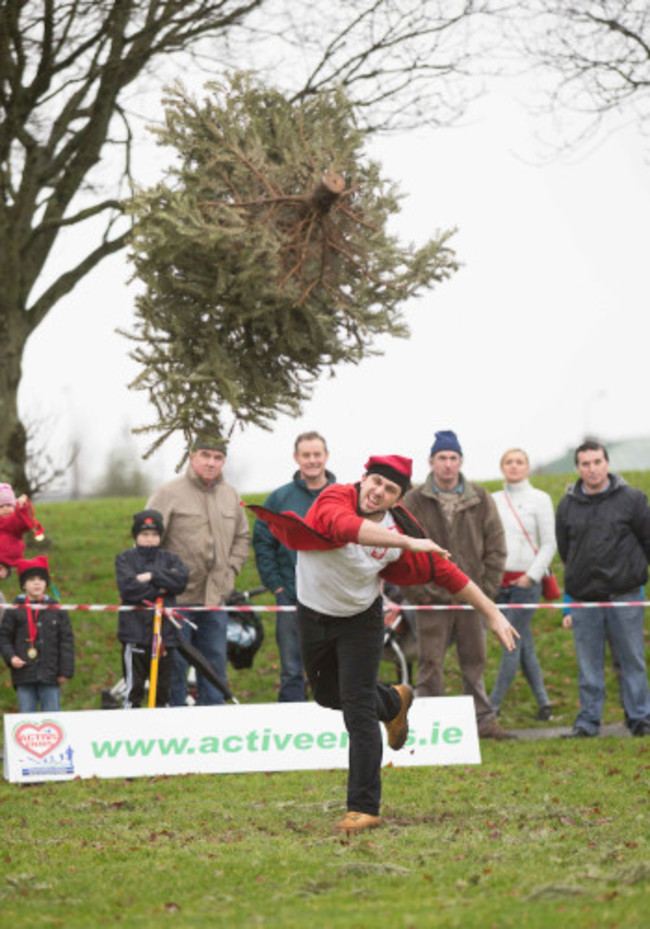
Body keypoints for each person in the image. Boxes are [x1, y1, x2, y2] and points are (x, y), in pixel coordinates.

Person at [249, 455, 518, 834]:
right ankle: (393, 701)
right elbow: (346, 528)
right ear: (363, 479)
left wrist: (492, 613)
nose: (378, 492)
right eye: (375, 482)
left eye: (390, 489)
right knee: (327, 694)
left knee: (357, 709)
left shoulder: (397, 529)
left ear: (397, 500)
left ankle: (363, 807)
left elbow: (447, 571)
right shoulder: (334, 498)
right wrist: (407, 541)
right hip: (312, 615)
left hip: (361, 621)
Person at [402, 430, 512, 740]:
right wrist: (419, 593)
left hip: (472, 597)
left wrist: (486, 592)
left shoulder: (479, 497)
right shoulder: (414, 500)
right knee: (429, 662)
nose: (448, 465)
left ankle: (483, 720)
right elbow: (403, 550)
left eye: (453, 458)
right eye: (442, 458)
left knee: (474, 660)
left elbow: (496, 546)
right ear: (431, 462)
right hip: (431, 598)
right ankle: (427, 723)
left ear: (460, 461)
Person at [556, 440, 650, 738]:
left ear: (607, 463)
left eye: (597, 462)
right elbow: (565, 550)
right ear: (577, 468)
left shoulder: (633, 499)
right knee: (588, 665)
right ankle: (588, 722)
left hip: (625, 595)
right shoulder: (567, 504)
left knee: (632, 660)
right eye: (585, 464)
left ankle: (640, 718)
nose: (592, 469)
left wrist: (634, 577)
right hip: (585, 598)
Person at [147, 434, 250, 706]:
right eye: (205, 455)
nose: (211, 463)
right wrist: (162, 580)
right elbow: (147, 540)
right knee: (176, 666)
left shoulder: (231, 495)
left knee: (214, 664)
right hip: (177, 601)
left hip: (215, 599)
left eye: (218, 458)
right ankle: (176, 724)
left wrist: (230, 573)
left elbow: (242, 537)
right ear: (192, 457)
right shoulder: (168, 493)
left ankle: (213, 727)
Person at [253, 431, 335, 701]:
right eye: (306, 455)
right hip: (291, 595)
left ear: (326, 456)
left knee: (334, 668)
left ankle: (336, 729)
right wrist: (275, 586)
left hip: (334, 597)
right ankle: (292, 731)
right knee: (291, 668)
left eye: (317, 454)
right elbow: (263, 543)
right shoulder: (279, 499)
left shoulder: (342, 497)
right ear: (296, 458)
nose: (312, 460)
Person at [489, 448, 555, 720]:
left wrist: (531, 575)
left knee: (511, 642)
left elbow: (550, 543)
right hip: (499, 583)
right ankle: (544, 704)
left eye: (519, 462)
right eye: (509, 462)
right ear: (502, 467)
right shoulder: (492, 500)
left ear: (527, 466)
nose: (514, 466)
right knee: (523, 640)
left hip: (526, 582)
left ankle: (490, 707)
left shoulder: (540, 499)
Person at [115, 509, 190, 708]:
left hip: (165, 635)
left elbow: (181, 581)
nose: (150, 539)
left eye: (154, 535)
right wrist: (163, 586)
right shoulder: (124, 559)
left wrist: (150, 577)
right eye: (145, 534)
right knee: (134, 689)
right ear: (136, 535)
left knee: (163, 690)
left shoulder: (171, 559)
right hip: (135, 634)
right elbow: (129, 589)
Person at [0, 556, 74, 712]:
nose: (37, 583)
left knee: (52, 719)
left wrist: (65, 670)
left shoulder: (57, 610)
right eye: (31, 579)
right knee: (27, 718)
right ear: (23, 585)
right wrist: (11, 657)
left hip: (51, 675)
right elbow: (4, 638)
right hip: (23, 675)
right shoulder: (14, 610)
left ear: (46, 583)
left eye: (41, 579)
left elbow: (66, 641)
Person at [0, 483, 43, 568]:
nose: (5, 508)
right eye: (1, 506)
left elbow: (25, 524)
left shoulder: (15, 520)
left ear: (14, 506)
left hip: (13, 559)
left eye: (9, 505)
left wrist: (22, 509)